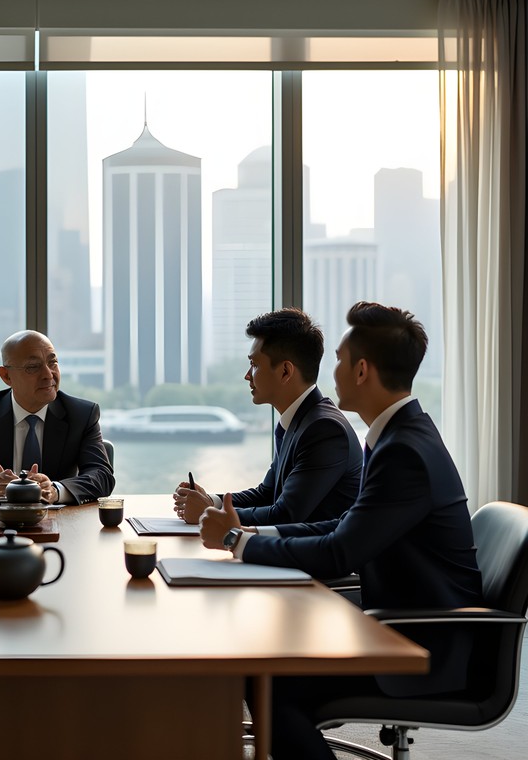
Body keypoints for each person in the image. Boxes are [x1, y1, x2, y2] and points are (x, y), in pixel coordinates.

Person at [198, 302, 483, 760]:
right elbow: (348, 528)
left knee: (271, 684)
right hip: (396, 626)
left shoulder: (404, 451)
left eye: (339, 360)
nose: (332, 372)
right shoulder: (399, 436)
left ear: (362, 371)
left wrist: (239, 541)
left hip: (422, 645)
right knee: (262, 665)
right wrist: (248, 539)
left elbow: (339, 552)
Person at [172, 308, 362, 526]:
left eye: (254, 365)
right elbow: (267, 493)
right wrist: (212, 501)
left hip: (310, 557)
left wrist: (207, 513)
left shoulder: (325, 429)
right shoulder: (298, 420)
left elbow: (286, 515)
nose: (247, 375)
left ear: (285, 372)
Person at [0, 330, 115, 505]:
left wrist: (55, 491)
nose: (48, 374)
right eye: (33, 367)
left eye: (53, 362)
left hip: (62, 526)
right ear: (6, 376)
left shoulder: (81, 414)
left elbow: (102, 475)